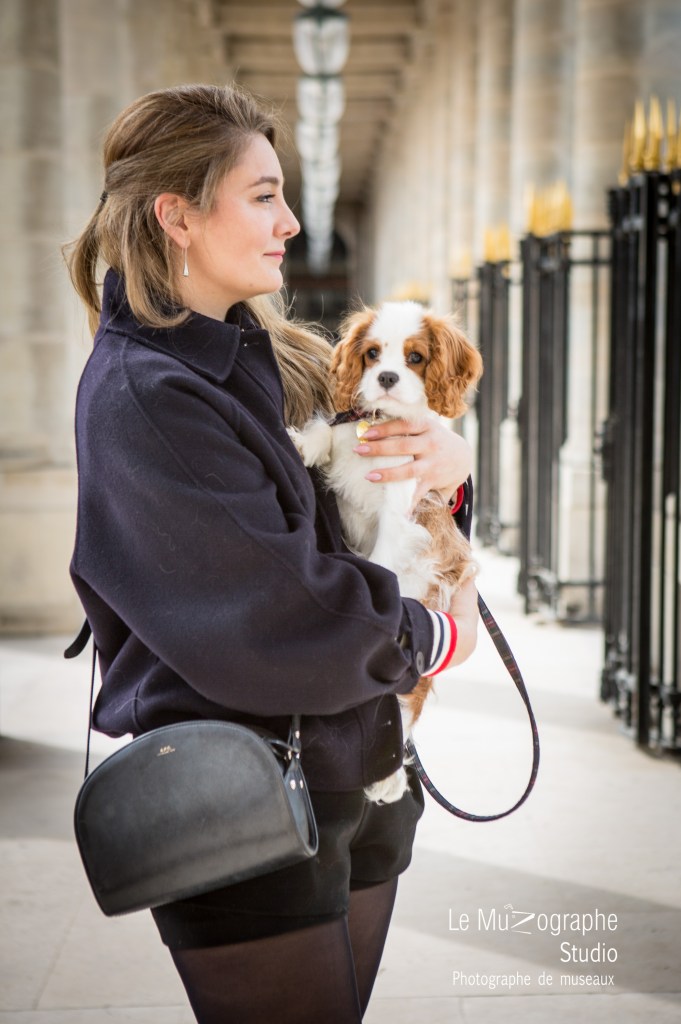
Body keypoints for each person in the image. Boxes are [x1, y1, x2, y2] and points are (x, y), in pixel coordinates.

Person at [64, 83, 479, 1024]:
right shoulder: (147, 395)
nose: (292, 221)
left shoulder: (269, 351)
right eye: (262, 196)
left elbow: (373, 501)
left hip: (357, 770)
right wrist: (434, 637)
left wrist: (446, 466)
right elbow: (289, 611)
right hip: (246, 805)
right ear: (176, 215)